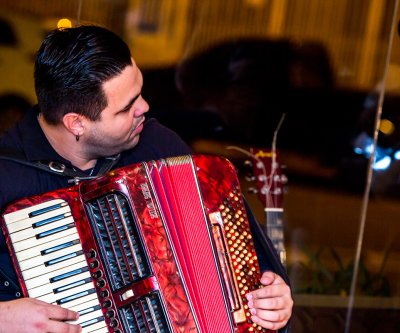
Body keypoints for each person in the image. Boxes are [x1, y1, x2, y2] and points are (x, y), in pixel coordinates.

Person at [0, 25, 293, 332]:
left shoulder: (160, 148)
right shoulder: (9, 177)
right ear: (76, 123)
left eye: (139, 92)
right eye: (127, 107)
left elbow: (257, 267)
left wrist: (276, 301)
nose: (145, 108)